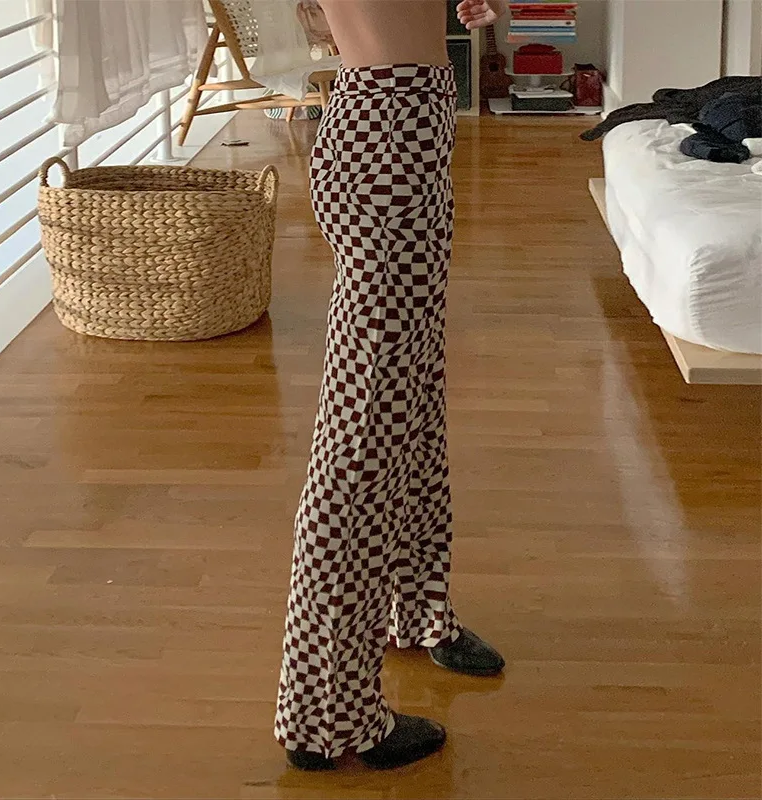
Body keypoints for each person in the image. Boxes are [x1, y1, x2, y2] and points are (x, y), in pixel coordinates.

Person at [275, 0, 509, 771]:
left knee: (410, 400)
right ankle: (326, 715)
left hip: (400, 125)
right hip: (389, 138)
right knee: (366, 432)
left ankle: (417, 609)